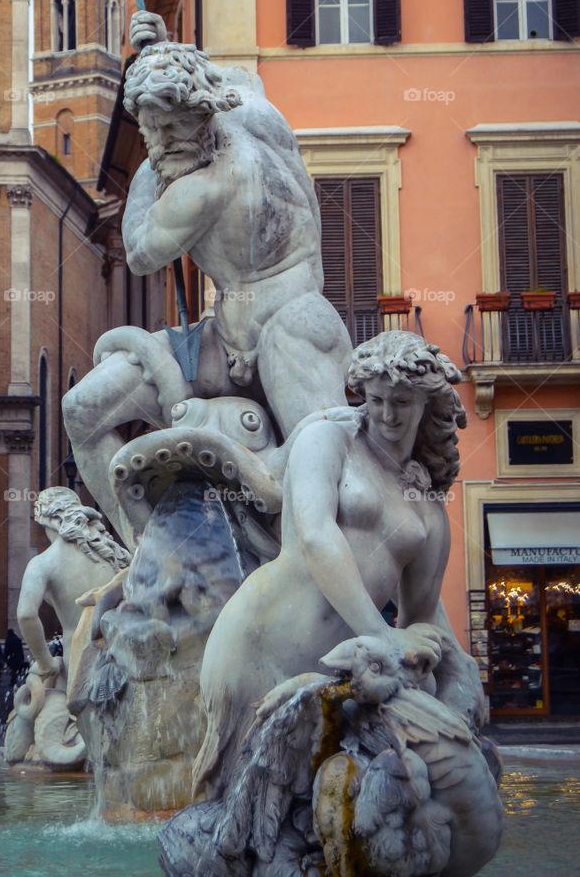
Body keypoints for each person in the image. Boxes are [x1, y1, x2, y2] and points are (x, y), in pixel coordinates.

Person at [62, 11, 350, 543]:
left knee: (330, 486)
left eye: (173, 129)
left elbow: (139, 252)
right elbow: (230, 78)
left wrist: (150, 160)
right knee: (82, 408)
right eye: (153, 130)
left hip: (292, 329)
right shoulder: (255, 108)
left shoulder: (203, 188)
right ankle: (149, 555)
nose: (165, 141)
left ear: (203, 115)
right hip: (222, 336)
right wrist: (163, 53)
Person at [194, 331, 484, 799]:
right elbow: (315, 536)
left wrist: (456, 669)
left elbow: (422, 611)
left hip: (344, 672)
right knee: (239, 812)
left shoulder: (425, 500)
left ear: (426, 404)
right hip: (260, 643)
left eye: (402, 402)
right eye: (376, 399)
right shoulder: (327, 440)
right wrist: (382, 637)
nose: (387, 414)